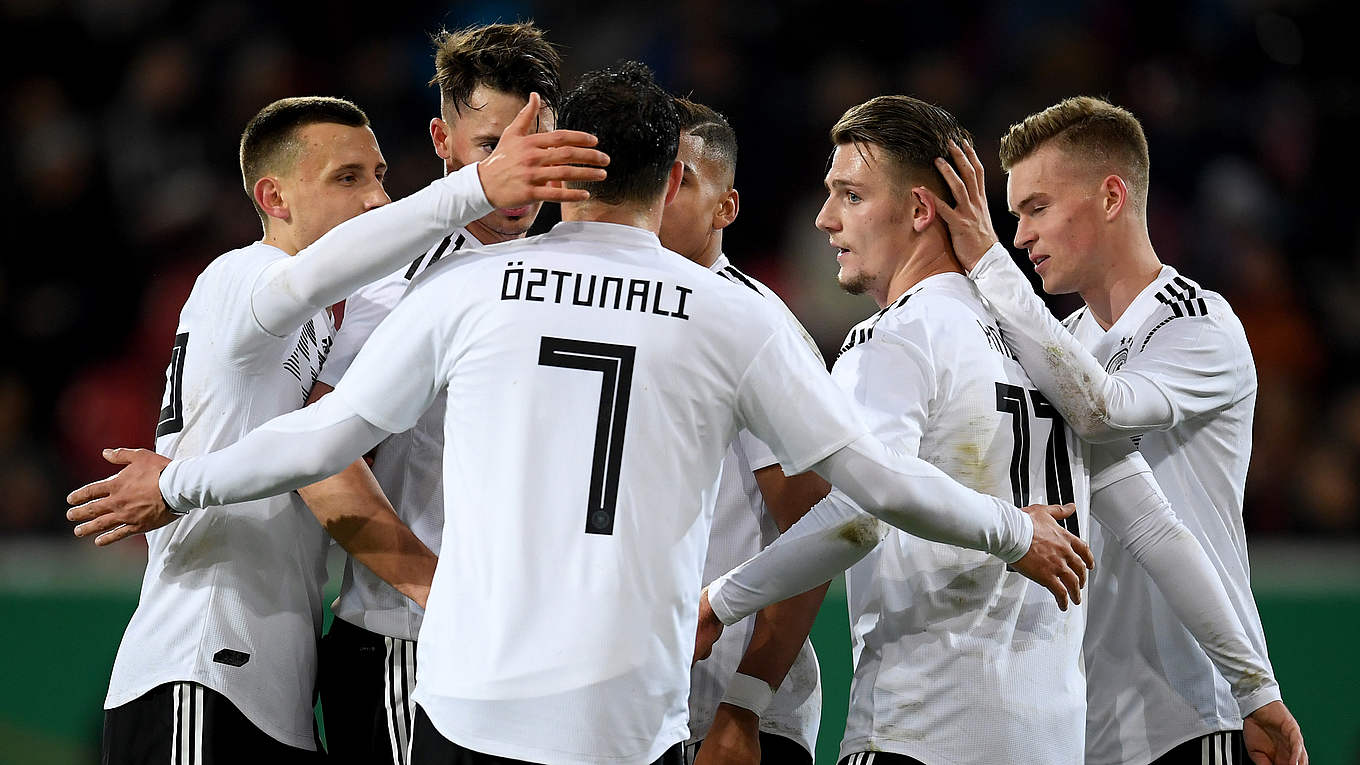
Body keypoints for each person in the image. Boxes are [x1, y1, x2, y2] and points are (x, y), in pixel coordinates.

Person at [67, 63, 1091, 765]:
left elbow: (320, 439)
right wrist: (1010, 530)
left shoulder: (471, 289)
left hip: (469, 702)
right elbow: (872, 487)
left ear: (568, 163)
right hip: (623, 716)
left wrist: (181, 480)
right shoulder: (735, 316)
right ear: (674, 176)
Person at [697, 95, 1290, 765]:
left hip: (919, 732)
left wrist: (718, 603)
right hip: (1050, 742)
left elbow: (857, 518)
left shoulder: (897, 337)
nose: (825, 218)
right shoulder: (1052, 360)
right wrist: (1256, 689)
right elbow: (1157, 529)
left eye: (851, 195)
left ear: (920, 210)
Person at [80, 92, 607, 763]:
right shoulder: (242, 278)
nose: (377, 199)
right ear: (274, 197)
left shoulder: (325, 322)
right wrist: (477, 187)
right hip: (198, 661)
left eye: (380, 175)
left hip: (272, 686)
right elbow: (315, 281)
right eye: (347, 177)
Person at [921, 95, 1307, 765]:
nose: (1019, 236)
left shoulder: (1196, 322)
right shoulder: (1056, 342)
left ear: (1109, 197)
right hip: (1084, 727)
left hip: (1193, 713)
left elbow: (1103, 409)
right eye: (1014, 216)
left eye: (1037, 208)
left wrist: (987, 262)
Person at [292, 23, 566, 765]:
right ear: (443, 140)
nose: (517, 167)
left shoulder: (576, 277)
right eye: (491, 145)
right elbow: (318, 461)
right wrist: (439, 594)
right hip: (408, 646)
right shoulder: (392, 280)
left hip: (532, 654)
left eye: (535, 141)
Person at [658, 97, 830, 765]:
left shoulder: (755, 328)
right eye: (650, 175)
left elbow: (818, 530)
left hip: (730, 719)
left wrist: (744, 706)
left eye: (681, 180)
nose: (657, 196)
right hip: (637, 711)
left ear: (725, 208)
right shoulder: (630, 318)